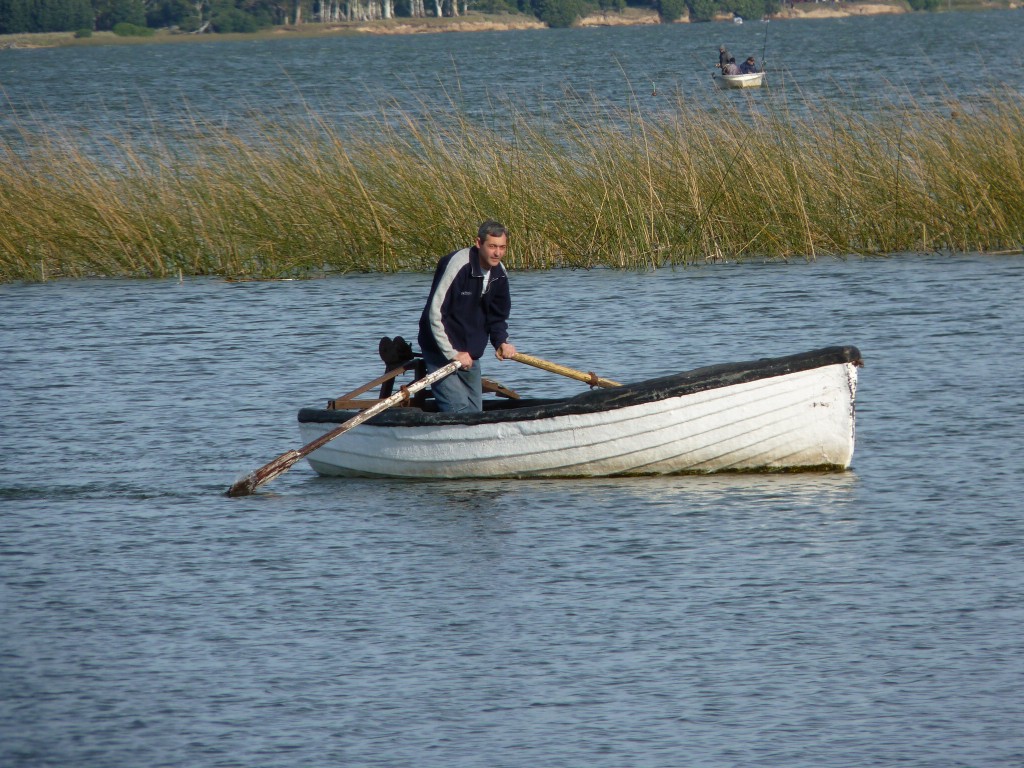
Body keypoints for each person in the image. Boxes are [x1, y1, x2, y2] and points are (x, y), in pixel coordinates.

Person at [418, 219, 517, 413]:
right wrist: (452, 353)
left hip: (470, 353)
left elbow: (497, 317)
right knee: (459, 410)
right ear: (478, 243)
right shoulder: (458, 265)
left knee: (475, 412)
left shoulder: (499, 273)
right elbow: (434, 313)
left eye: (502, 247)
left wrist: (501, 342)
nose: (497, 253)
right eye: (492, 246)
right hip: (440, 350)